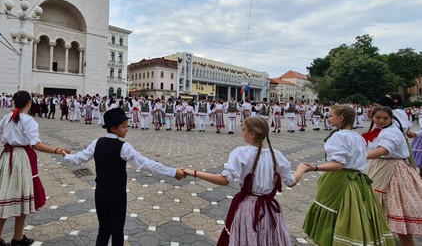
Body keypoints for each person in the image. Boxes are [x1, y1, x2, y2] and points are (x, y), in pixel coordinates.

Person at [64, 108, 186, 246]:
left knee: (103, 229)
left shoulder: (97, 142)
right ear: (113, 128)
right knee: (117, 230)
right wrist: (172, 171)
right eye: (124, 127)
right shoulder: (123, 147)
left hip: (100, 193)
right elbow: (145, 164)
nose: (127, 130)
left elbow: (79, 158)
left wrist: (65, 155)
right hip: (117, 196)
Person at [184, 116, 304, 246]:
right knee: (268, 239)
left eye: (243, 130)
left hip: (249, 210)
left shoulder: (241, 153)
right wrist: (301, 169)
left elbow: (225, 180)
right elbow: (291, 182)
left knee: (247, 239)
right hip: (270, 211)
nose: (242, 133)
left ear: (252, 134)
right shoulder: (277, 155)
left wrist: (195, 173)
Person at [0, 91, 70, 246]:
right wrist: (56, 150)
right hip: (22, 159)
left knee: (5, 197)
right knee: (24, 196)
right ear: (29, 103)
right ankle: (16, 238)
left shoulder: (7, 117)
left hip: (6, 158)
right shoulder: (28, 120)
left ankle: (0, 239)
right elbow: (35, 144)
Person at [302, 105, 393, 246]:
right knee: (354, 215)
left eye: (331, 116)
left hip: (339, 180)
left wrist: (314, 167)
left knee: (337, 213)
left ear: (341, 118)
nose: (329, 118)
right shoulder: (358, 137)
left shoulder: (339, 136)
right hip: (358, 182)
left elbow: (338, 164)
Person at [364, 105, 422, 246]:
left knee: (399, 212)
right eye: (378, 118)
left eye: (385, 118)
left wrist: (359, 156)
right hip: (379, 170)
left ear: (391, 119)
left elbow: (384, 150)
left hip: (392, 171)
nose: (381, 120)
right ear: (371, 117)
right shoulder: (379, 131)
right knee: (382, 210)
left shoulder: (391, 132)